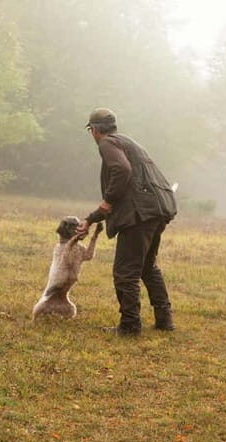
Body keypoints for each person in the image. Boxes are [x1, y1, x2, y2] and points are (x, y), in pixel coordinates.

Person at [76, 108, 177, 336]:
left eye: (91, 130)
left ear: (93, 130)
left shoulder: (107, 144)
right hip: (157, 210)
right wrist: (92, 219)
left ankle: (130, 325)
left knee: (125, 271)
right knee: (147, 267)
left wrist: (107, 200)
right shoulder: (129, 142)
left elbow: (121, 170)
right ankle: (164, 319)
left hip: (140, 215)